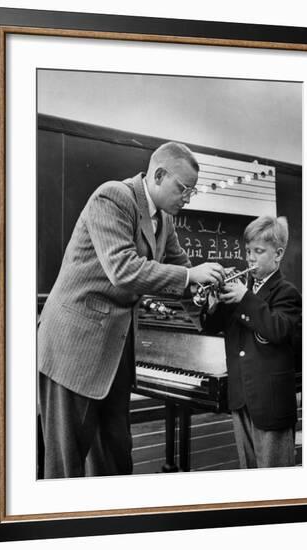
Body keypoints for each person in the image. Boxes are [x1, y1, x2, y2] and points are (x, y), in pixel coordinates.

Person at [38, 142, 225, 478]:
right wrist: (189, 276)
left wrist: (207, 289)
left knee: (115, 458)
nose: (187, 197)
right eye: (183, 188)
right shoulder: (112, 197)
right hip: (73, 349)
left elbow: (184, 271)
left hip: (114, 352)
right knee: (66, 465)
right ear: (158, 175)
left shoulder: (164, 221)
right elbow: (122, 269)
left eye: (192, 191)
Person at [201, 215, 301, 469]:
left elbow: (276, 329)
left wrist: (244, 298)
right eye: (247, 251)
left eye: (258, 251)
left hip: (271, 403)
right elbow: (212, 327)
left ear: (278, 254)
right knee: (249, 471)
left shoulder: (286, 292)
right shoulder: (242, 292)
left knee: (275, 478)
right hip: (240, 397)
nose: (250, 258)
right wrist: (213, 304)